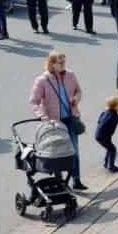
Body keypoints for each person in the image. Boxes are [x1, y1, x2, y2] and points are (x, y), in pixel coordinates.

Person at [28, 51, 87, 190]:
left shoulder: (70, 75)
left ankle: (76, 180)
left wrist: (75, 99)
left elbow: (79, 91)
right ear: (52, 64)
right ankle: (59, 180)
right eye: (60, 63)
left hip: (70, 119)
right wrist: (43, 116)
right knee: (57, 152)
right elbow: (33, 101)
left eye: (64, 62)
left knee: (74, 151)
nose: (63, 65)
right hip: (54, 122)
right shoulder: (42, 80)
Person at [95, 96, 118, 172]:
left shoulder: (105, 112)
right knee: (112, 149)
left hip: (99, 134)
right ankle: (111, 166)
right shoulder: (114, 116)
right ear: (116, 106)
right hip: (104, 137)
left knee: (109, 148)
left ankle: (107, 163)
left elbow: (99, 121)